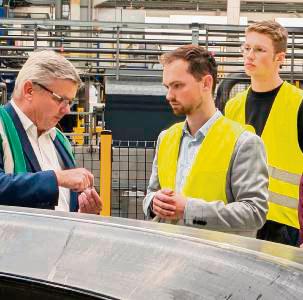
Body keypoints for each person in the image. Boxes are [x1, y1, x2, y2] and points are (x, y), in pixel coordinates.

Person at [143, 44, 268, 237]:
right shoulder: (165, 138)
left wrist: (189, 209)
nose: (169, 95)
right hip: (171, 256)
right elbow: (151, 193)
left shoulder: (244, 143)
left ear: (206, 83)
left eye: (178, 85)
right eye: (167, 87)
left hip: (218, 261)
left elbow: (254, 213)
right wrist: (153, 202)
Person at [225, 20, 303, 246]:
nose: (250, 55)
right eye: (247, 48)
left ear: (280, 58)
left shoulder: (298, 103)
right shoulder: (233, 106)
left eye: (259, 50)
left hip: (284, 226)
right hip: (240, 219)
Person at [0, 50, 102, 214]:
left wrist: (82, 213)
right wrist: (57, 178)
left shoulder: (59, 140)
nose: (67, 110)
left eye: (70, 101)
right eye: (60, 99)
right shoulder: (2, 126)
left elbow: (63, 207)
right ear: (29, 90)